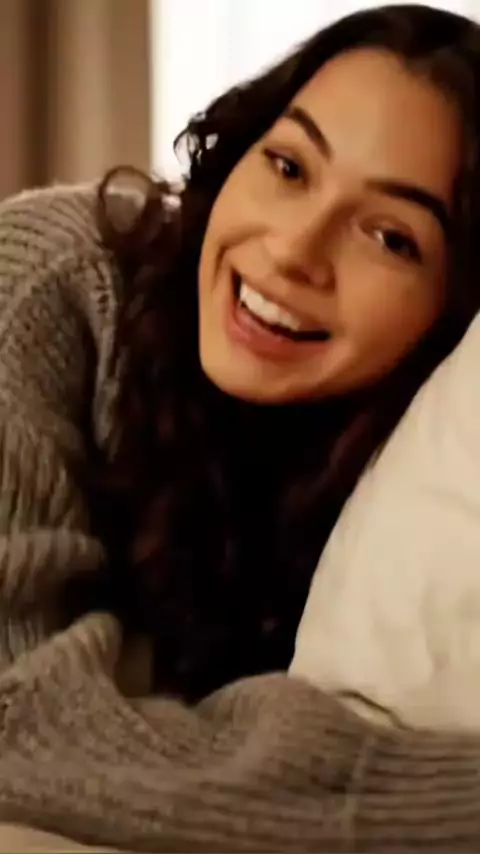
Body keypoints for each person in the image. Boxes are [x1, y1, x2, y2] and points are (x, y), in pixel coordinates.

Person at [1, 3, 480, 851]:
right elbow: (19, 716)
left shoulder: (411, 473)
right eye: (289, 166)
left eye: (389, 236)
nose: (294, 250)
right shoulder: (51, 282)